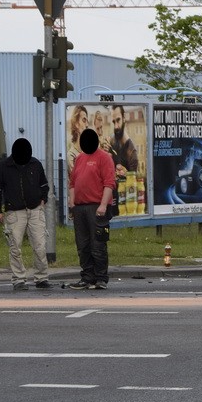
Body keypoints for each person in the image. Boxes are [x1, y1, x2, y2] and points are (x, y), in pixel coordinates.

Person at [0, 138, 51, 290]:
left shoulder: (36, 164)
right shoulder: (3, 166)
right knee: (15, 247)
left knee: (40, 246)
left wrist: (43, 199)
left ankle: (42, 278)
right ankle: (18, 279)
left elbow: (44, 185)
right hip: (14, 212)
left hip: (35, 210)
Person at [68, 128, 116, 290]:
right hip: (80, 208)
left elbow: (109, 183)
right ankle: (87, 277)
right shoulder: (80, 158)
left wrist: (103, 205)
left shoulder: (104, 158)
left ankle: (101, 278)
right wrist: (72, 202)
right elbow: (73, 183)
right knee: (83, 245)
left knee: (98, 244)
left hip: (97, 207)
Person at [110, 104, 138, 178]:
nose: (116, 126)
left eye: (118, 120)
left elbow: (132, 184)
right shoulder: (112, 143)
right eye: (113, 122)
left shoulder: (132, 152)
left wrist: (125, 174)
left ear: (124, 118)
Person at [66, 104, 89, 173]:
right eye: (84, 120)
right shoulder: (71, 155)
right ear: (76, 123)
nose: (87, 125)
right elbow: (80, 177)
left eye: (87, 121)